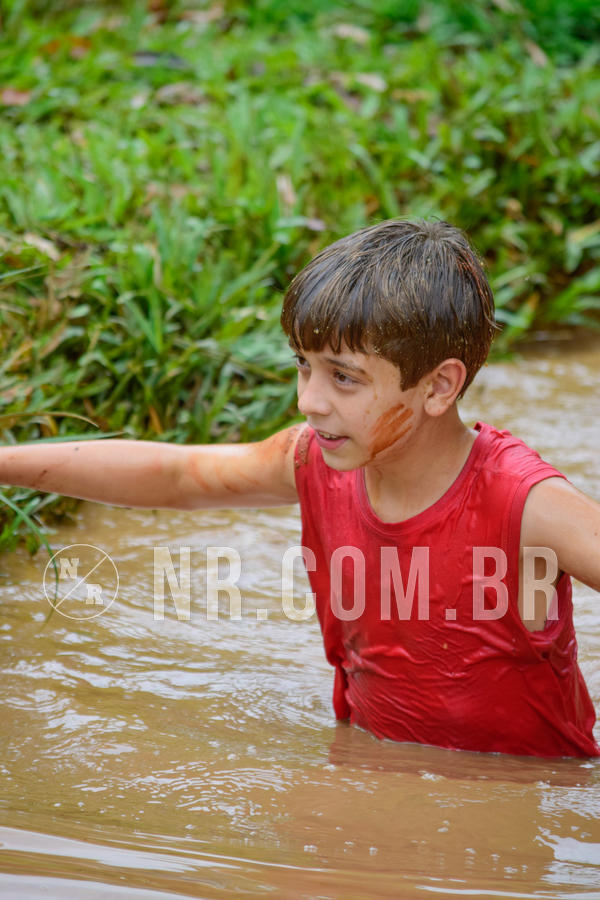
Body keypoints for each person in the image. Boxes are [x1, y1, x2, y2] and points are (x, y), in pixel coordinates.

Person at [1, 219, 599, 758]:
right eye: (303, 365)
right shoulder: (314, 462)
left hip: (531, 796)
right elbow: (179, 476)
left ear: (439, 387)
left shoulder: (524, 504)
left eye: (344, 377)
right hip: (373, 761)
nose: (309, 401)